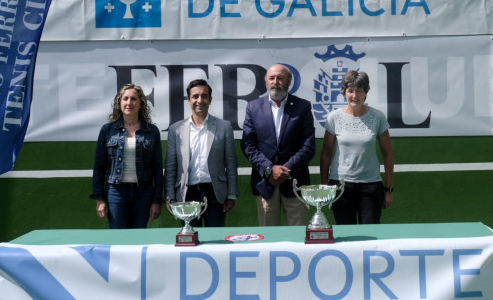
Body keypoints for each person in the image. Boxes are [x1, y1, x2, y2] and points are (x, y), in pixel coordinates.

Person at [241, 64, 316, 226]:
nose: (276, 82)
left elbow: (308, 146)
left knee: (299, 236)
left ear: (289, 81)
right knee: (269, 239)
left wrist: (284, 171)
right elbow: (248, 145)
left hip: (295, 182)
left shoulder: (303, 107)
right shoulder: (253, 107)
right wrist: (269, 169)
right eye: (271, 78)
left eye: (280, 78)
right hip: (266, 184)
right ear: (266, 82)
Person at [320, 70, 394, 224]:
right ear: (344, 92)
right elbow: (326, 154)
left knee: (370, 236)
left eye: (359, 91)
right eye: (350, 91)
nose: (354, 95)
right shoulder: (334, 117)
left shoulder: (378, 117)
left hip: (371, 187)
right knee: (346, 236)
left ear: (365, 93)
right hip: (340, 187)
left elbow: (388, 154)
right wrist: (325, 187)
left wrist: (388, 189)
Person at [165, 79, 239, 227]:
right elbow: (171, 166)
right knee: (190, 240)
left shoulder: (224, 127)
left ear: (210, 100)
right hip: (187, 194)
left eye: (204, 96)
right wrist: (170, 197)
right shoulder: (176, 129)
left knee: (216, 241)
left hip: (216, 193)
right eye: (195, 96)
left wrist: (231, 195)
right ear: (188, 100)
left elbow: (231, 163)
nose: (200, 100)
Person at [91, 84, 163, 229]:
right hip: (116, 192)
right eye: (125, 99)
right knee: (119, 238)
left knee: (139, 238)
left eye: (134, 99)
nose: (129, 102)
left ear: (141, 103)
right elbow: (99, 166)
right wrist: (100, 198)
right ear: (119, 103)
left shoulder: (152, 131)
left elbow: (157, 168)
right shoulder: (107, 130)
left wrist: (156, 200)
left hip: (143, 193)